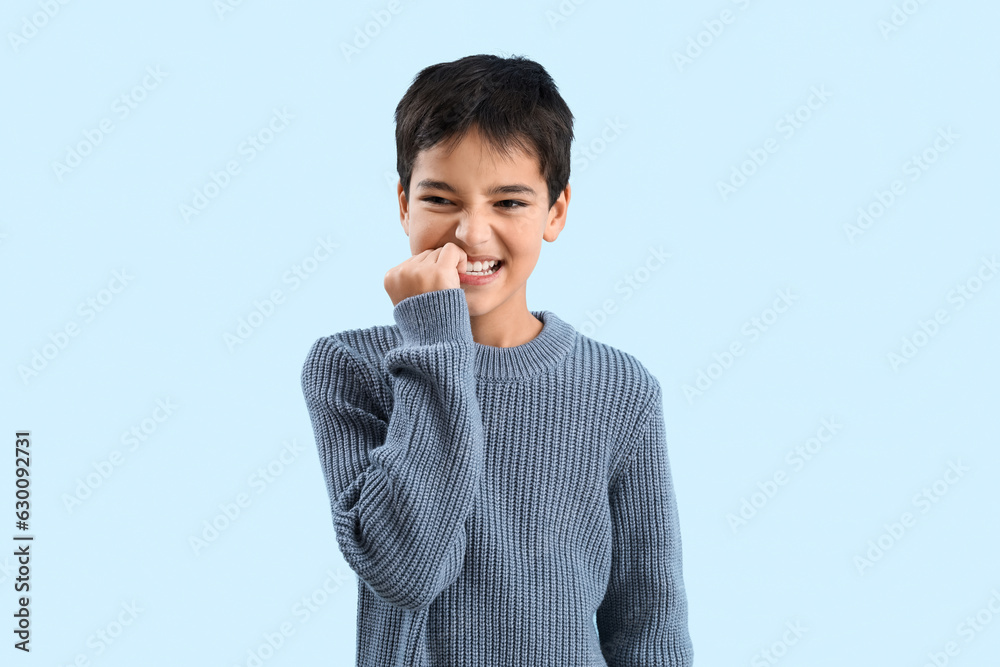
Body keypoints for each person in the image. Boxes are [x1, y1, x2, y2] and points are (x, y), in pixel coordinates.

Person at [300, 53, 693, 666]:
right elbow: (406, 570)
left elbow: (648, 624)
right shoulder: (352, 368)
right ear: (403, 204)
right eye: (440, 198)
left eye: (508, 202)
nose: (472, 234)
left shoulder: (620, 388)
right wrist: (434, 342)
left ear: (555, 211)